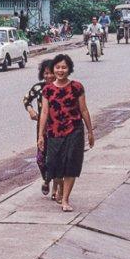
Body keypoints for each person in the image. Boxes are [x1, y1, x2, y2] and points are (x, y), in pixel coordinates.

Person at [38, 54, 94, 212]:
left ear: (69, 69)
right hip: (54, 132)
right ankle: (59, 186)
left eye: (64, 67)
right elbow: (44, 113)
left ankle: (65, 200)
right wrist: (41, 135)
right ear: (53, 69)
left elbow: (83, 109)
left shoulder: (77, 87)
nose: (60, 70)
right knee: (53, 164)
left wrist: (90, 132)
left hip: (74, 130)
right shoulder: (47, 90)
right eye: (57, 67)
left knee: (71, 164)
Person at [23, 59, 56, 198]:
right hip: (42, 129)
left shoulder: (61, 88)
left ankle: (56, 190)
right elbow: (26, 100)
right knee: (41, 159)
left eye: (51, 73)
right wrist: (30, 110)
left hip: (59, 129)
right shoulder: (38, 88)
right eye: (46, 73)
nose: (48, 76)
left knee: (56, 159)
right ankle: (47, 179)